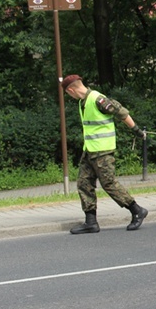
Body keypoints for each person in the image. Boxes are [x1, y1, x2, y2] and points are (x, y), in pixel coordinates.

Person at [61, 74, 148, 234]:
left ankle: (137, 210)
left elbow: (121, 112)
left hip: (103, 151)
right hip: (90, 150)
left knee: (109, 183)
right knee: (84, 183)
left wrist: (136, 130)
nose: (69, 96)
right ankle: (91, 222)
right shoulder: (83, 102)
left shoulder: (97, 99)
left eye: (68, 93)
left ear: (71, 90)